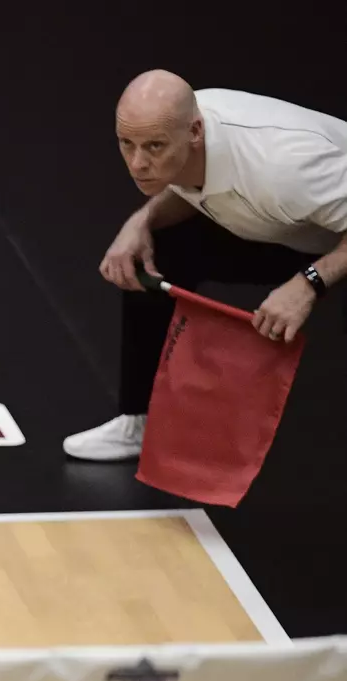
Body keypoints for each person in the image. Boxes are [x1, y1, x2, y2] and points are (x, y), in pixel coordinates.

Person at [64, 70, 347, 462]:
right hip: (291, 227)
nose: (137, 163)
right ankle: (140, 419)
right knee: (154, 254)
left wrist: (308, 283)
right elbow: (190, 182)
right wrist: (142, 221)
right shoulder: (177, 129)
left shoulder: (284, 165)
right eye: (126, 144)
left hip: (330, 233)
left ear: (195, 132)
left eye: (153, 147)